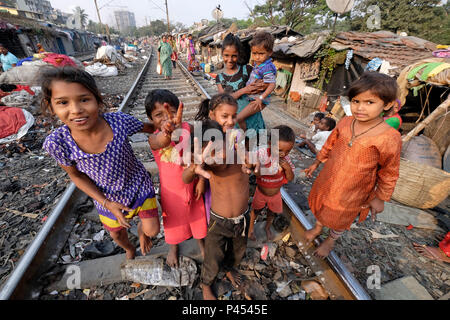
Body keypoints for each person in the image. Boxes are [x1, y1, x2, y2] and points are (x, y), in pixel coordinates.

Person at [41, 66, 160, 260]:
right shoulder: (57, 143)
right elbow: (75, 175)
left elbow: (150, 128)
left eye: (84, 99)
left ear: (97, 99)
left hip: (138, 184)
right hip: (106, 196)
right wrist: (107, 202)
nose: (76, 110)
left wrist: (171, 127)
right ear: (51, 106)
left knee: (153, 231)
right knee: (116, 234)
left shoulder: (118, 122)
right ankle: (130, 248)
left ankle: (141, 232)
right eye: (63, 102)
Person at [304, 72, 402, 258]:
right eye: (356, 101)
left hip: (355, 188)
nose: (360, 108)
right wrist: (316, 163)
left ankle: (331, 240)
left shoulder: (389, 137)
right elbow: (329, 144)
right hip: (329, 177)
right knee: (323, 203)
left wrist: (380, 197)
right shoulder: (346, 122)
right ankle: (317, 228)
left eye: (369, 102)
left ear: (387, 104)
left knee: (342, 216)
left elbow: (390, 171)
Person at [182, 119, 259, 300]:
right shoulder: (209, 165)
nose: (219, 157)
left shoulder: (241, 156)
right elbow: (186, 178)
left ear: (226, 140)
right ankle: (206, 283)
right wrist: (194, 167)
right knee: (213, 258)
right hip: (218, 222)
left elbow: (254, 165)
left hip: (242, 219)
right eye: (211, 154)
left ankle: (229, 268)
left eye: (219, 149)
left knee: (238, 251)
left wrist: (254, 164)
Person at [145, 89, 207, 268]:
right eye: (159, 115)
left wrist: (202, 180)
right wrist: (167, 132)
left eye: (171, 113)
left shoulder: (188, 128)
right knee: (172, 219)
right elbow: (161, 142)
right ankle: (173, 246)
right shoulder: (154, 138)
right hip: (171, 189)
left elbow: (198, 154)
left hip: (194, 182)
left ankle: (200, 241)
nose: (167, 118)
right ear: (151, 119)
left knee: (198, 213)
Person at [195, 93, 241, 223]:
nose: (231, 121)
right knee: (211, 207)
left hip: (229, 182)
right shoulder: (206, 134)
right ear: (212, 115)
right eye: (225, 116)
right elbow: (200, 161)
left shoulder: (235, 135)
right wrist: (201, 181)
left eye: (234, 116)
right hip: (212, 182)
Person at [216, 33, 267, 137]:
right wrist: (244, 90)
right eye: (226, 55)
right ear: (222, 54)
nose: (230, 60)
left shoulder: (247, 70)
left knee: (255, 150)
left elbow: (262, 88)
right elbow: (224, 100)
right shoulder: (220, 78)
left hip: (253, 119)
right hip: (235, 124)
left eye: (234, 56)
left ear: (238, 54)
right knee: (239, 150)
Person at [249, 125, 295, 241]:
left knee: (271, 213)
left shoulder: (286, 160)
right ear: (270, 144)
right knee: (255, 211)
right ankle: (250, 229)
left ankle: (267, 227)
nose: (283, 154)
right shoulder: (263, 154)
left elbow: (290, 178)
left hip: (275, 194)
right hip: (261, 192)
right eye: (279, 150)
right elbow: (255, 172)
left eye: (288, 151)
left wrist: (287, 168)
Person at [237, 31, 277, 131]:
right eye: (254, 53)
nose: (257, 57)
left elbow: (272, 85)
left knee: (239, 118)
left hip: (258, 100)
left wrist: (260, 98)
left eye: (261, 53)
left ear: (270, 52)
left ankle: (245, 135)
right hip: (253, 97)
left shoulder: (266, 67)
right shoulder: (260, 63)